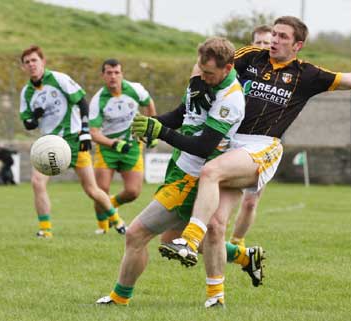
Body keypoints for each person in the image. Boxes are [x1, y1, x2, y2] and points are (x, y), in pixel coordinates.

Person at [153, 15, 351, 297]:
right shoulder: (250, 56)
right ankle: (221, 292)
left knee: (211, 172)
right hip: (230, 146)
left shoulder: (307, 74)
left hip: (261, 147)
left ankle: (188, 241)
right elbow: (209, 59)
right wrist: (197, 83)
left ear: (298, 45)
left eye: (282, 36)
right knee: (214, 226)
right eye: (274, 34)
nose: (274, 40)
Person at [96, 37, 259, 308]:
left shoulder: (231, 100)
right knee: (171, 239)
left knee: (135, 234)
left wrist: (163, 134)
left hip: (191, 179)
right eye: (200, 69)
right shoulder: (202, 80)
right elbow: (182, 115)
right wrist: (152, 123)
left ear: (228, 67)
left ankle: (119, 297)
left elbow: (204, 147)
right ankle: (243, 257)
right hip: (178, 168)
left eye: (208, 73)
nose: (202, 76)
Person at [19, 45, 125, 238]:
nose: (31, 65)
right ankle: (46, 230)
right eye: (27, 62)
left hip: (74, 141)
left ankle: (117, 221)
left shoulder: (59, 79)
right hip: (49, 144)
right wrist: (33, 118)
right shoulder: (27, 92)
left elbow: (82, 102)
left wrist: (85, 131)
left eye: (34, 60)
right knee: (37, 182)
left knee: (92, 190)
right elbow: (27, 124)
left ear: (43, 62)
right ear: (23, 67)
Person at [89, 59, 157, 234]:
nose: (113, 76)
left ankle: (110, 204)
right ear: (103, 75)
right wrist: (114, 144)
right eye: (109, 73)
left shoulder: (135, 90)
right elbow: (94, 133)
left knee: (133, 192)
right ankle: (102, 228)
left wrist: (151, 129)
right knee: (101, 189)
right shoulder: (98, 101)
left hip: (133, 145)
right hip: (107, 148)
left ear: (122, 74)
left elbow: (149, 104)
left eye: (116, 72)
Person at [229, 24, 272, 247]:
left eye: (267, 43)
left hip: (258, 142)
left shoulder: (276, 72)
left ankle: (237, 243)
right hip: (230, 135)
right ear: (251, 44)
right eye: (259, 43)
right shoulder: (239, 68)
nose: (263, 47)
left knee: (250, 203)